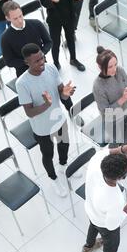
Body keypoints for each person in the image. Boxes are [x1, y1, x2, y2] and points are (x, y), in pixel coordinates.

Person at [16, 43, 78, 198]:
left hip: (59, 119)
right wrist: (47, 105)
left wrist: (66, 93)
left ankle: (63, 166)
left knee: (64, 144)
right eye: (36, 61)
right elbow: (29, 112)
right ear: (27, 63)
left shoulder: (50, 68)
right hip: (42, 128)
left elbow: (61, 94)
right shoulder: (22, 83)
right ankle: (53, 178)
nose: (41, 62)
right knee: (48, 154)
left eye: (42, 58)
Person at [36, 0, 86, 71]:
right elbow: (43, 1)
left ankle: (73, 59)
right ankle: (56, 62)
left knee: (70, 37)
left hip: (69, 14)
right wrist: (52, 1)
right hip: (54, 17)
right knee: (55, 42)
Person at [93, 46, 127, 147]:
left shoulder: (120, 71)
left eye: (115, 65)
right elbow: (106, 113)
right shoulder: (98, 86)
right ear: (99, 67)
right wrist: (123, 99)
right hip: (113, 122)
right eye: (110, 67)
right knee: (116, 146)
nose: (114, 69)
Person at [1, 0, 52, 78]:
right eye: (15, 18)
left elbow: (48, 42)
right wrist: (27, 62)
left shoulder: (36, 24)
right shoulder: (5, 38)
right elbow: (9, 61)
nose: (20, 20)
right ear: (7, 18)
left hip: (42, 65)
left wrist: (40, 55)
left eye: (20, 16)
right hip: (24, 73)